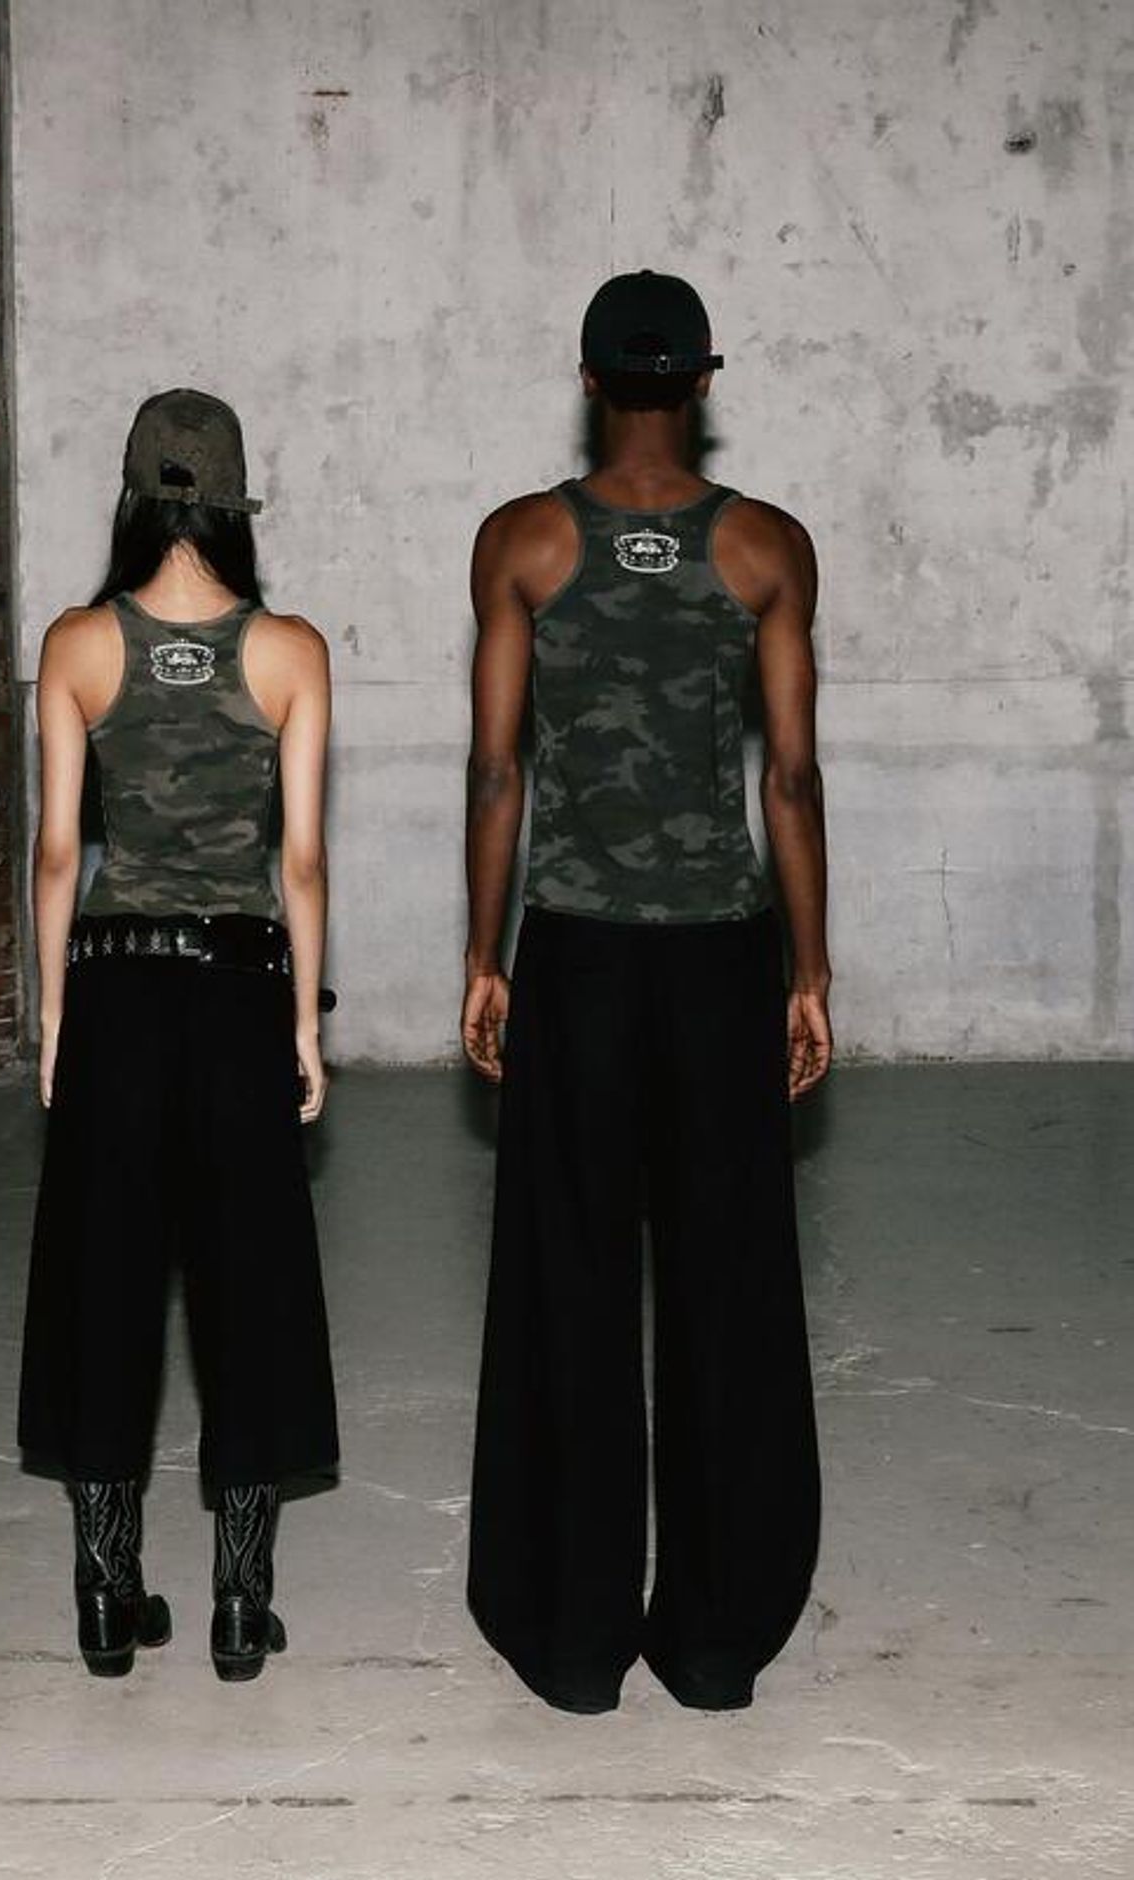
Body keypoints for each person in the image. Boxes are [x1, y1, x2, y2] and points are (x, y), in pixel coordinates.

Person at [461, 272, 829, 1714]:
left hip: (580, 951)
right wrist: (809, 970)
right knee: (728, 1282)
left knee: (572, 1277)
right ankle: (718, 1643)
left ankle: (573, 1642)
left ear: (589, 377)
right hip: (722, 956)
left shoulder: (524, 540)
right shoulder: (767, 546)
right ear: (705, 379)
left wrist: (484, 957)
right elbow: (788, 778)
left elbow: (499, 771)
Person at [17, 389, 338, 1683]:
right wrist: (303, 1027)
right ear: (236, 500)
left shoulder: (78, 643)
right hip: (239, 987)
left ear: (132, 494)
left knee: (106, 1284)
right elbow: (300, 863)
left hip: (116, 989)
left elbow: (58, 852)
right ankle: (239, 1609)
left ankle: (107, 1600)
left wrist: (55, 1018)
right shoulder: (291, 652)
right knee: (247, 1285)